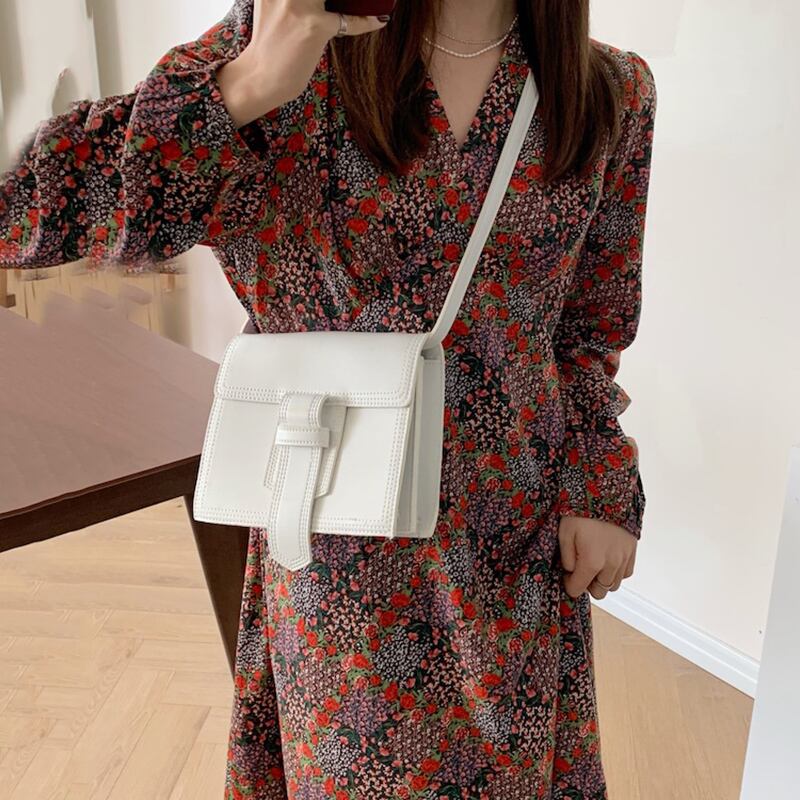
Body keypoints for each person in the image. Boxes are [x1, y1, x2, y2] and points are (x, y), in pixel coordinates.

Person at [0, 0, 657, 796]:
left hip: (514, 544)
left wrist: (600, 488)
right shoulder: (290, 44)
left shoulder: (607, 88)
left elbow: (588, 327)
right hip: (337, 550)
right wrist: (242, 89)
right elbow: (22, 209)